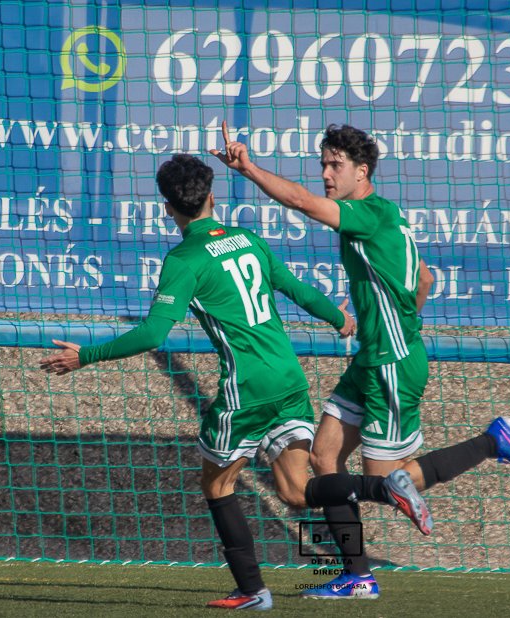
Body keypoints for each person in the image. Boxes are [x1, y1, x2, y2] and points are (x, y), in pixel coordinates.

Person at [40, 154, 435, 611]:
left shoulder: (183, 260)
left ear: (168, 208)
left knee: (216, 486)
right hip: (288, 378)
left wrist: (84, 356)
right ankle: (383, 490)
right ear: (212, 197)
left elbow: (152, 333)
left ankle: (252, 590)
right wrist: (336, 317)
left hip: (246, 389)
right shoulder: (247, 239)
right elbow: (293, 286)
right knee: (295, 491)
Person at [211, 123, 510, 600]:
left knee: (381, 483)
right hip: (374, 357)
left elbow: (303, 204)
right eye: (323, 164)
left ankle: (491, 442)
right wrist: (390, 323)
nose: (327, 174)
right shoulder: (386, 214)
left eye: (336, 166)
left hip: (392, 363)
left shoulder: (366, 215)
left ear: (361, 171)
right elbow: (425, 280)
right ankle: (358, 575)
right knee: (324, 458)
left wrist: (246, 168)